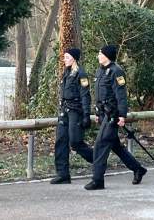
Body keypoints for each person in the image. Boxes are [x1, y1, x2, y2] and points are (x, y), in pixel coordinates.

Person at [84, 45, 147, 190]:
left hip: (113, 115)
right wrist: (98, 114)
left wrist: (122, 115)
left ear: (107, 55)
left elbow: (121, 96)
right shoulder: (100, 71)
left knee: (101, 144)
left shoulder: (116, 71)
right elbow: (99, 96)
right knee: (115, 146)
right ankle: (138, 169)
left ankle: (97, 180)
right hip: (104, 115)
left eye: (100, 53)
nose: (98, 56)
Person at [50, 48, 94, 184]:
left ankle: (98, 160)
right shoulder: (66, 72)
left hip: (76, 111)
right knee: (61, 141)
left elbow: (85, 95)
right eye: (64, 57)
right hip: (64, 111)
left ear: (74, 58)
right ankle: (63, 174)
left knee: (75, 142)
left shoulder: (81, 74)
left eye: (67, 57)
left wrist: (86, 114)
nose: (65, 60)